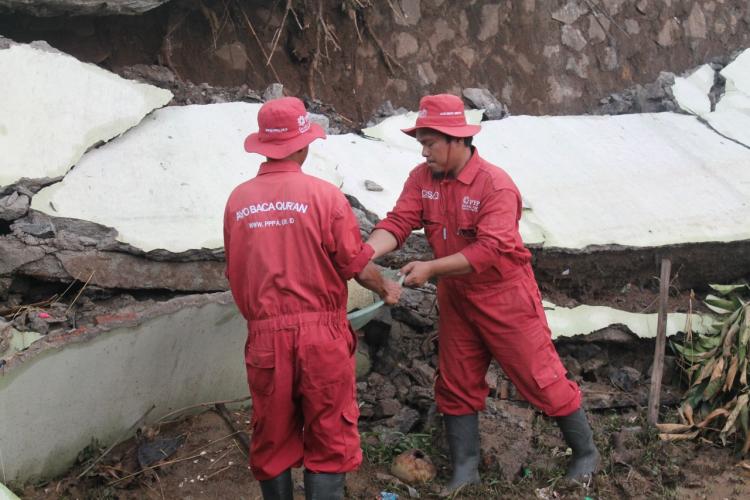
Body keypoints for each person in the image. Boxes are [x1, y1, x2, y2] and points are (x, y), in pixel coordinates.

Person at [365, 94, 599, 493]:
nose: (424, 152)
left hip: (504, 296)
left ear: (458, 140)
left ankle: (585, 452)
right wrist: (364, 254)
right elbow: (400, 221)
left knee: (540, 378)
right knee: (455, 382)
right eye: (420, 143)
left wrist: (432, 268)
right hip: (457, 298)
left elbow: (491, 249)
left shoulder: (495, 186)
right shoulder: (422, 179)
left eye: (430, 143)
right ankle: (466, 469)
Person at [223, 96, 401, 500]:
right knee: (330, 436)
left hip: (266, 337)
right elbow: (355, 262)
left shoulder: (238, 201)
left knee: (272, 436)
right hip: (321, 337)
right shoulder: (324, 197)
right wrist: (385, 287)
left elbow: (235, 272)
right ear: (303, 146)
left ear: (265, 146)